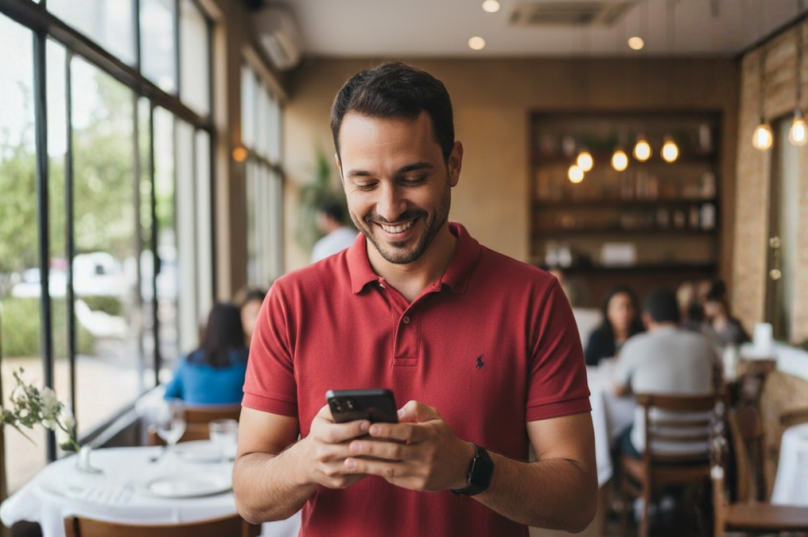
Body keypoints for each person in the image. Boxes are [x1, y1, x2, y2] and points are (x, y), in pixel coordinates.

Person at [234, 62, 597, 537]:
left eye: (412, 177)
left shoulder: (535, 298)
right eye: (365, 183)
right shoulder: (290, 301)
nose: (389, 208)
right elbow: (248, 495)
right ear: (341, 174)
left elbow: (577, 502)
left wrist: (468, 468)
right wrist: (306, 460)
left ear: (454, 164)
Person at [613, 288, 716, 458]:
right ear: (680, 315)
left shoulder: (635, 345)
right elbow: (719, 379)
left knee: (619, 437)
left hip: (653, 447)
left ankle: (636, 485)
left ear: (647, 318)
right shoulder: (705, 345)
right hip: (702, 445)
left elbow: (617, 390)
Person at [163, 303, 249, 405]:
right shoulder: (248, 363)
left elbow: (168, 396)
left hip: (193, 421)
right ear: (239, 328)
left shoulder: (187, 361)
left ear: (207, 327)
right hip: (236, 420)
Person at [584, 285, 644, 366]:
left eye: (628, 307)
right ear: (609, 311)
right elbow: (587, 366)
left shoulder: (642, 337)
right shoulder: (597, 337)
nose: (624, 313)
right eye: (619, 307)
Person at [701, 281, 749, 348]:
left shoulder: (734, 326)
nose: (705, 307)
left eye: (709, 303)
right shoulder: (705, 327)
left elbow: (746, 345)